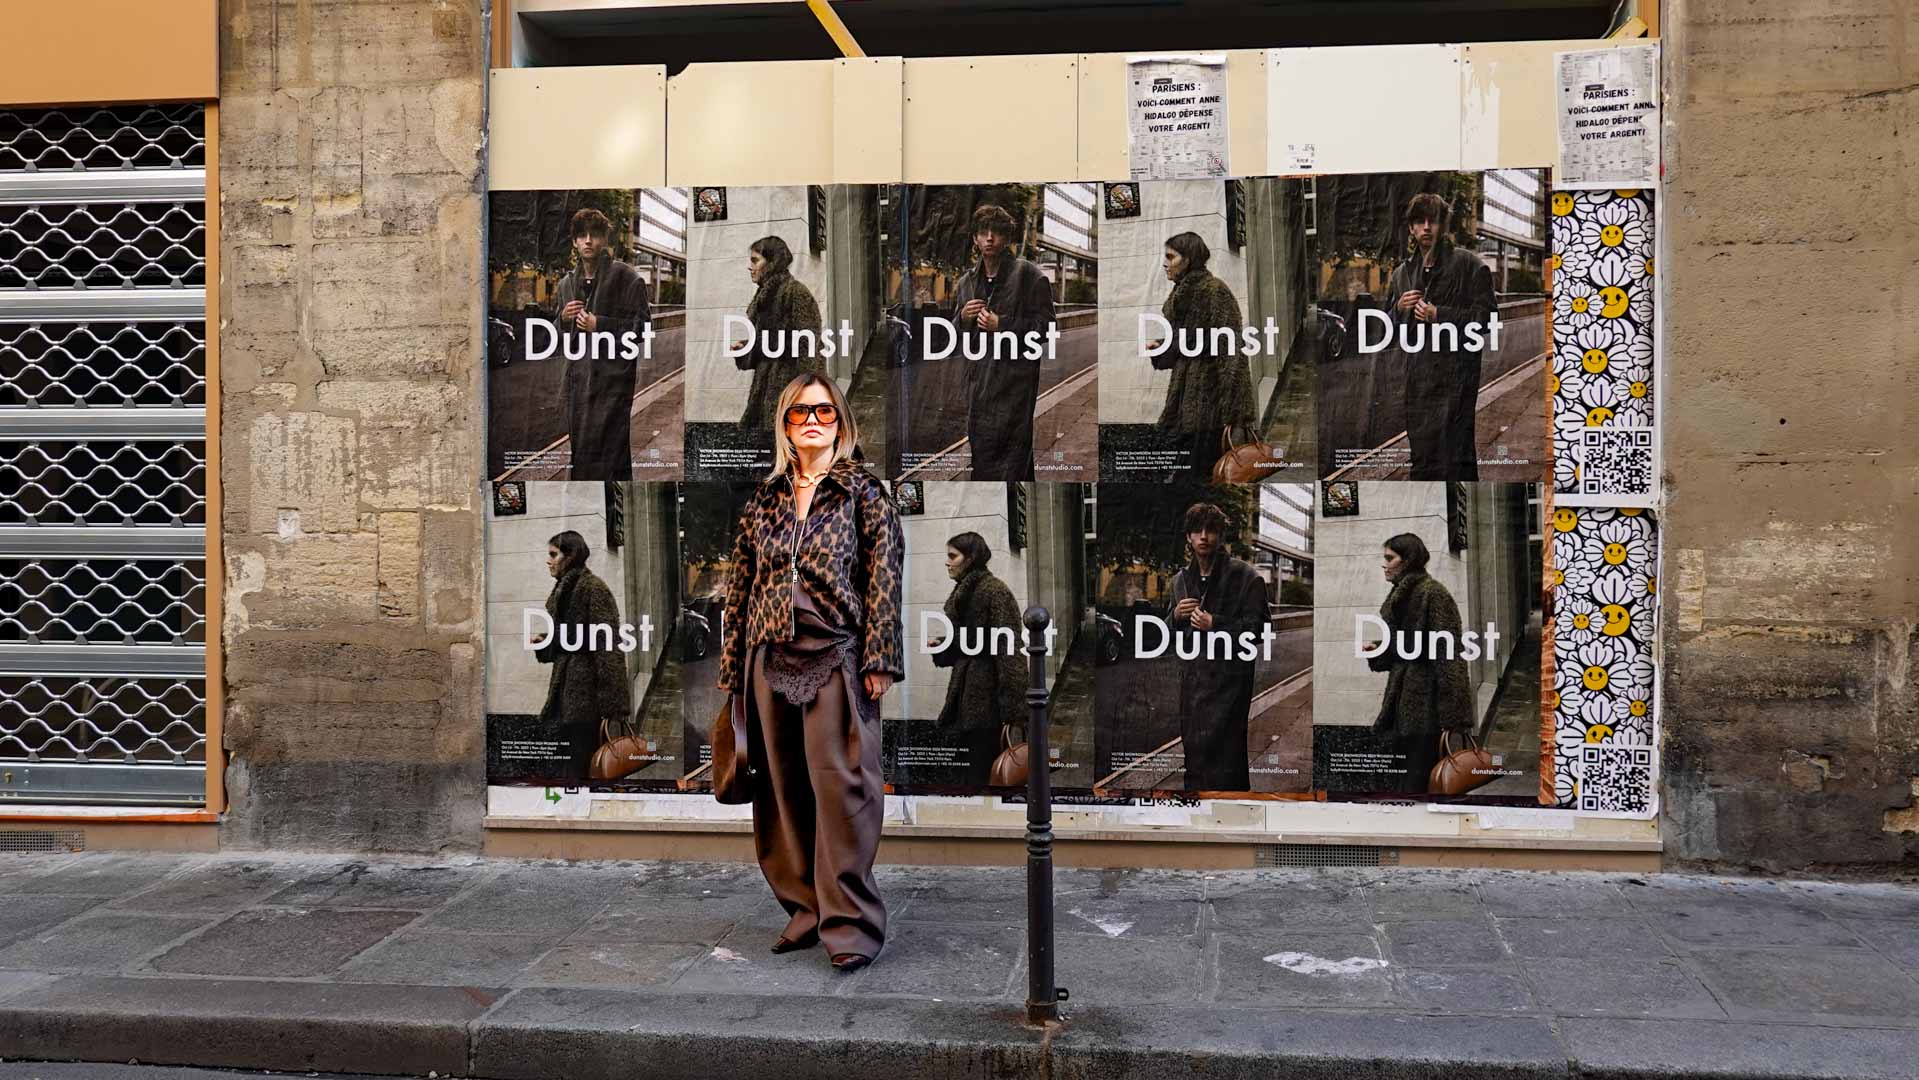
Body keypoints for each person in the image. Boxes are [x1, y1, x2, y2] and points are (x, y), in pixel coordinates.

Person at [715, 371, 904, 972]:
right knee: (780, 791)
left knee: (844, 790)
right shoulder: (765, 498)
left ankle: (850, 925)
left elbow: (884, 578)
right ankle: (803, 908)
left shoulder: (864, 493)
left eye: (823, 411)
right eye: (799, 413)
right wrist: (732, 673)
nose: (812, 422)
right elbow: (740, 590)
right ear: (785, 425)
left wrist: (880, 658)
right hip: (767, 656)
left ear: (841, 422)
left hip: (837, 653)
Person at [1384, 193, 1495, 480]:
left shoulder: (1470, 265)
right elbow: (1387, 329)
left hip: (1457, 382)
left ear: (1443, 225)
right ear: (1411, 228)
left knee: (1457, 460)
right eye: (1419, 221)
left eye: (1433, 220)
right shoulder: (1401, 275)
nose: (1426, 227)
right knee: (1422, 460)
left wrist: (1440, 314)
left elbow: (1488, 319)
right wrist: (1398, 309)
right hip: (1418, 382)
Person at [947, 204, 1056, 481]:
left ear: (1007, 237)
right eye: (983, 232)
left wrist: (1003, 325)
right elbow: (955, 335)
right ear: (975, 238)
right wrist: (962, 318)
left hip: (1015, 390)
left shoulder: (1029, 276)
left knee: (1014, 465)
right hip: (979, 389)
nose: (989, 238)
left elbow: (1047, 328)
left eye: (996, 232)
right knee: (981, 462)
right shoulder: (966, 283)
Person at [1165, 502, 1267, 792]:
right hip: (1192, 687)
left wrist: (1216, 623)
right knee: (1194, 763)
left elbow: (1261, 629)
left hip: (1229, 688)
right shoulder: (1179, 581)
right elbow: (1167, 632)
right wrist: (1175, 616)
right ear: (1188, 537)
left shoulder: (1247, 577)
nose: (1204, 536)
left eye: (1211, 530)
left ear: (1221, 535)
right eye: (1197, 530)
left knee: (1226, 766)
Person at [1367, 533, 1474, 793]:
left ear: (1408, 560)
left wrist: (1453, 716)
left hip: (1426, 703)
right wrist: (1378, 648)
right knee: (1407, 774)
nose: (1384, 564)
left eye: (1390, 558)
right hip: (1402, 696)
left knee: (1420, 775)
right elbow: (1407, 644)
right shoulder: (1402, 594)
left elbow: (1450, 657)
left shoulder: (1433, 594)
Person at [550, 208, 651, 480]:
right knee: (581, 458)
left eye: (594, 234)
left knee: (612, 461)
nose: (588, 241)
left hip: (612, 388)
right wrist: (563, 319)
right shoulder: (565, 284)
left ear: (604, 238)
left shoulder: (627, 277)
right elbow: (557, 334)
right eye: (581, 235)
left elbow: (643, 327)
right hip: (578, 387)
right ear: (574, 241)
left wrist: (601, 324)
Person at [1152, 232, 1258, 478]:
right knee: (1189, 469)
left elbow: (1232, 352)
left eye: (1171, 257)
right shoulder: (1180, 295)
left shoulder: (1214, 291)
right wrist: (1162, 346)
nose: (1165, 263)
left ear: (1188, 260)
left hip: (1210, 403)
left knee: (1204, 470)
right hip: (1183, 396)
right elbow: (1188, 343)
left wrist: (1236, 413)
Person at [927, 531, 1025, 785]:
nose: (947, 562)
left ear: (970, 558)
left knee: (985, 772)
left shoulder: (995, 592)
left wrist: (1012, 710)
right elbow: (971, 642)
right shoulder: (965, 593)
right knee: (970, 773)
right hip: (964, 697)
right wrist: (944, 644)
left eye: (953, 556)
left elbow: (1010, 652)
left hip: (988, 703)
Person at [534, 530, 630, 779]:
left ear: (570, 556)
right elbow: (568, 640)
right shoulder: (564, 590)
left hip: (587, 699)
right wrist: (545, 641)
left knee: (584, 765)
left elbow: (609, 647)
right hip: (565, 693)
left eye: (553, 555)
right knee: (570, 766)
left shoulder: (593, 589)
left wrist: (615, 707)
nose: (548, 561)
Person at [734, 235, 824, 429]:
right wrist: (746, 347)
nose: (750, 267)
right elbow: (771, 343)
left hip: (789, 391)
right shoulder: (765, 295)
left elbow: (810, 348)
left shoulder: (795, 293)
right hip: (767, 388)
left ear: (772, 263)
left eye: (755, 260)